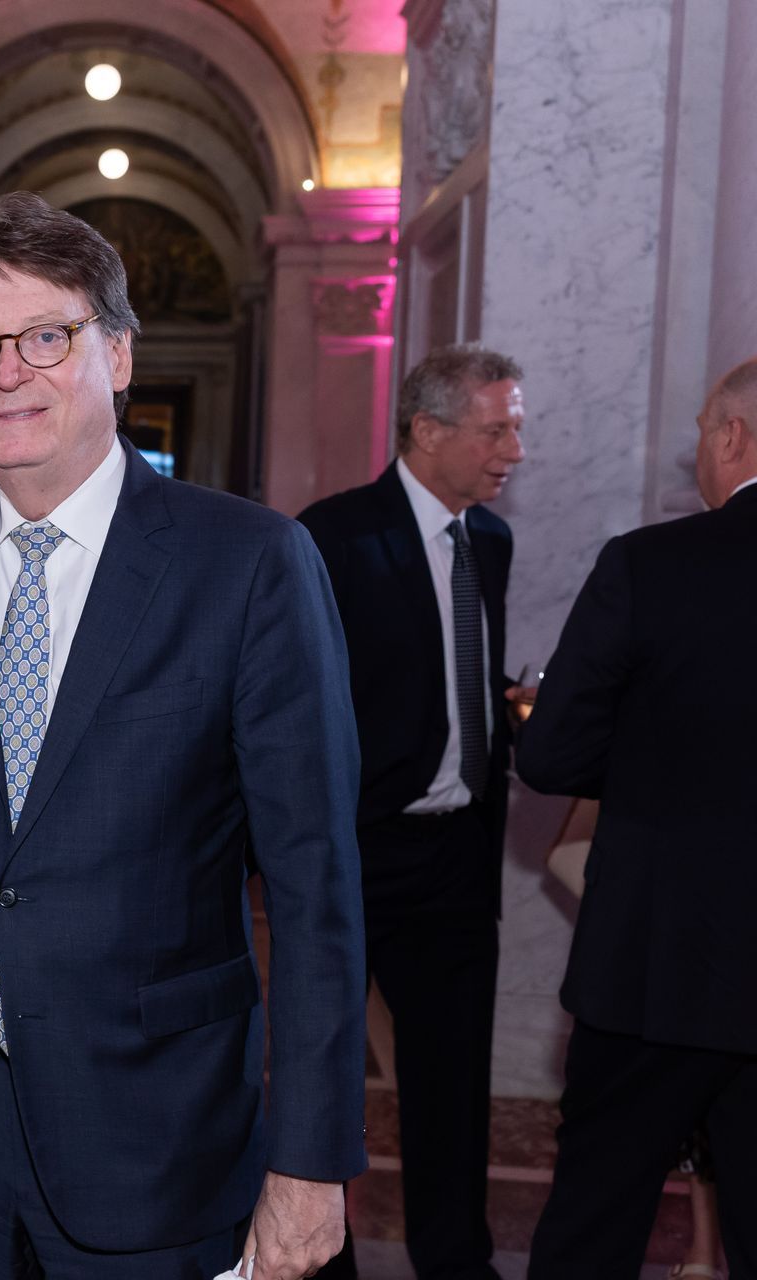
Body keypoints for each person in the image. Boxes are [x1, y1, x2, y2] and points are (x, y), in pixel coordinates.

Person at [0, 191, 366, 1279]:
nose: (8, 371)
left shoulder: (248, 565)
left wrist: (312, 1161)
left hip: (158, 1133)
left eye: (46, 336)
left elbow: (315, 886)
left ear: (121, 354)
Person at [518, 358, 757, 1279]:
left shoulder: (650, 563)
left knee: (596, 1220)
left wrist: (654, 757)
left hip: (659, 961)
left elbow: (551, 757)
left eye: (702, 429)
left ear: (732, 436)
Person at [297, 344, 527, 1280]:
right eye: (497, 427)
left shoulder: (493, 541)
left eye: (517, 425)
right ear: (427, 432)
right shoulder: (334, 537)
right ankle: (324, 1259)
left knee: (451, 1082)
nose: (516, 447)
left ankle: (454, 1261)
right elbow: (298, 704)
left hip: (459, 853)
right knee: (327, 1080)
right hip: (356, 848)